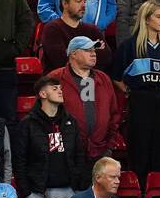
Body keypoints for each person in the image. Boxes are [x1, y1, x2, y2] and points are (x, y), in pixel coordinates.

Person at [13, 76, 87, 198]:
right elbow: (20, 160)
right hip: (39, 193)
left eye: (60, 88)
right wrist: (28, 193)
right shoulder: (28, 124)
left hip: (69, 190)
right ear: (43, 94)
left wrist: (79, 186)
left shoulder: (70, 121)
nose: (60, 91)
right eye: (54, 89)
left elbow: (80, 155)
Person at [115, 1, 160, 185]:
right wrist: (129, 91)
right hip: (140, 100)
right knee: (140, 147)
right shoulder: (129, 45)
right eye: (158, 16)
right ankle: (140, 188)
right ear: (146, 19)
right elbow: (116, 76)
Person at [47, 37, 121, 165]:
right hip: (66, 156)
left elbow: (114, 115)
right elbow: (45, 117)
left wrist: (109, 147)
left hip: (99, 153)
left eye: (94, 50)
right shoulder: (55, 78)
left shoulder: (104, 78)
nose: (93, 53)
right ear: (74, 54)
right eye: (88, 50)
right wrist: (57, 150)